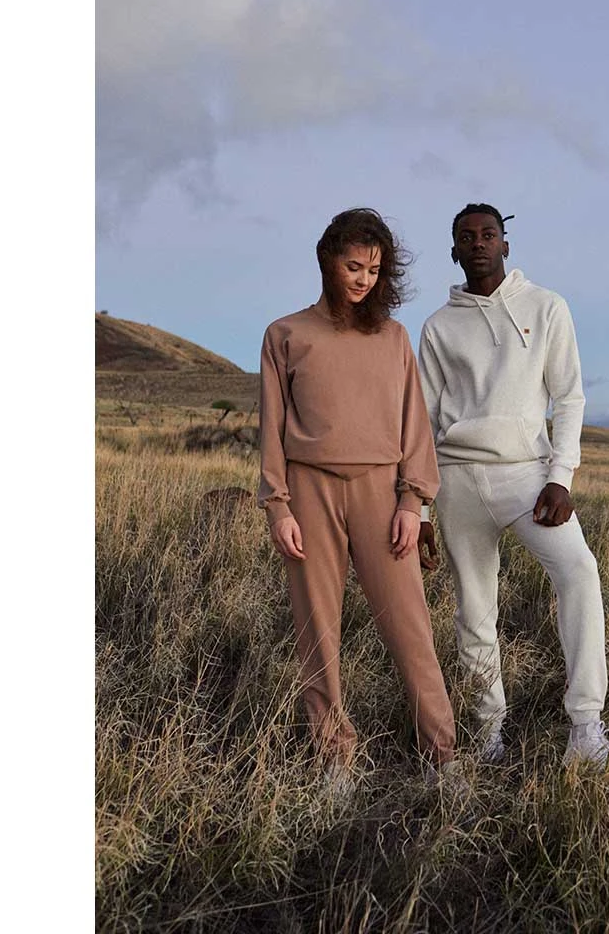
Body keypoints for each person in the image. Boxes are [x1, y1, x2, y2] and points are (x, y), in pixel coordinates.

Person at [417, 203, 609, 785]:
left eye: (489, 234)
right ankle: (489, 732)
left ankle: (585, 729)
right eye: (467, 237)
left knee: (579, 572)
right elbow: (423, 422)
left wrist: (561, 477)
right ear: (454, 252)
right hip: (458, 479)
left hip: (528, 478)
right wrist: (419, 508)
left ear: (506, 245)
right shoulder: (438, 327)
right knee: (474, 609)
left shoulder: (546, 307)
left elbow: (569, 397)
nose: (479, 243)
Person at [257, 207, 464, 800]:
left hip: (382, 492)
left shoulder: (393, 338)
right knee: (317, 631)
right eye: (354, 266)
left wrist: (412, 501)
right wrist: (278, 506)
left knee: (411, 628)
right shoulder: (285, 334)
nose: (363, 280)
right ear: (327, 260)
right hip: (309, 491)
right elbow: (271, 428)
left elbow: (414, 426)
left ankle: (442, 757)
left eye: (374, 270)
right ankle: (334, 761)